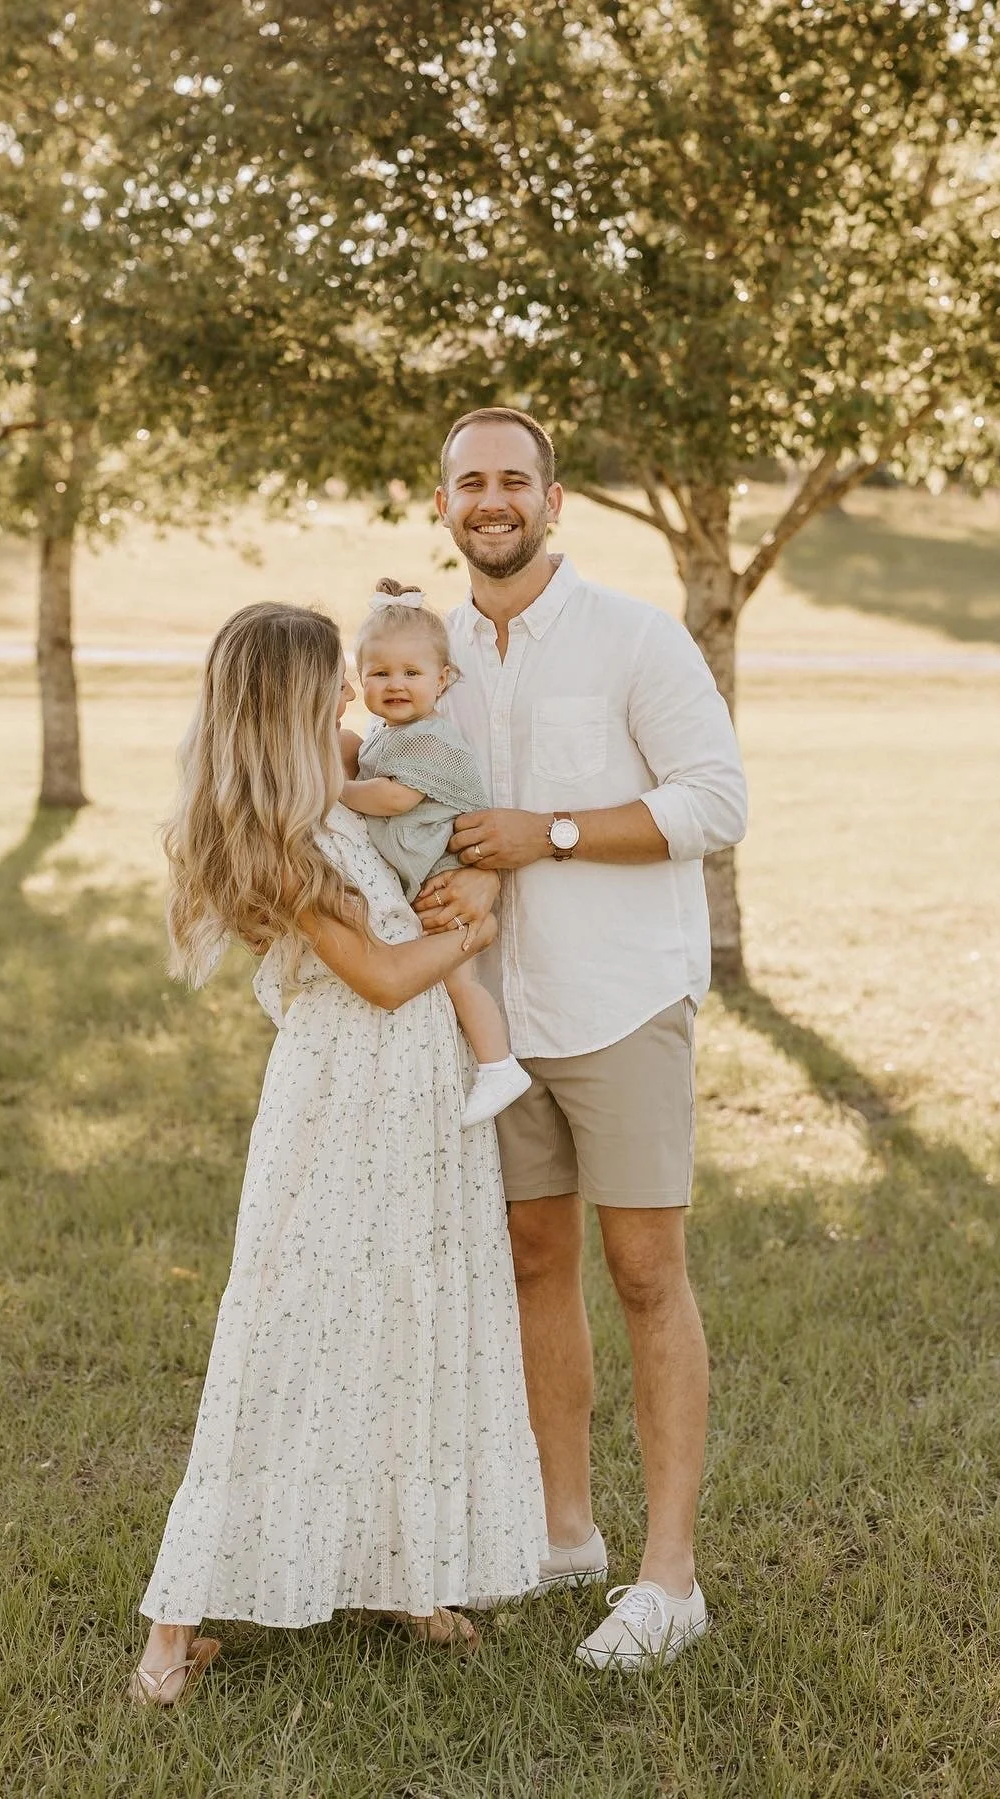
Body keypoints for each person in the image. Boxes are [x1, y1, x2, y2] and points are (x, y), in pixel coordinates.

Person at [129, 602, 546, 1706]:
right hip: (340, 1101)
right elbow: (386, 977)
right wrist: (470, 934)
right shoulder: (282, 837)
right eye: (331, 685)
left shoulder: (342, 781)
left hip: (417, 1095)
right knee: (289, 1325)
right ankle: (170, 1632)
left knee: (407, 1316)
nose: (350, 698)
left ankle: (405, 1571)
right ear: (290, 702)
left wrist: (477, 880)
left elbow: (430, 813)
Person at [413, 407, 748, 1671]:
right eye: (471, 483)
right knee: (530, 1257)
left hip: (619, 1001)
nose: (492, 500)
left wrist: (545, 833)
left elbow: (716, 800)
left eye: (515, 480)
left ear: (553, 501)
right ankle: (564, 1532)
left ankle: (671, 1579)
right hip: (489, 1014)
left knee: (646, 1268)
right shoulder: (427, 651)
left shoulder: (634, 637)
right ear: (443, 504)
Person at [341, 577, 532, 1129]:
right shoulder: (386, 734)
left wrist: (336, 790)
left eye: (411, 673)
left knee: (458, 980)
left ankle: (498, 1067)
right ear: (360, 679)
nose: (395, 684)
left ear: (442, 679)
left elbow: (394, 798)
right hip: (423, 875)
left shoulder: (430, 738)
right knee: (443, 983)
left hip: (447, 878)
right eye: (380, 674)